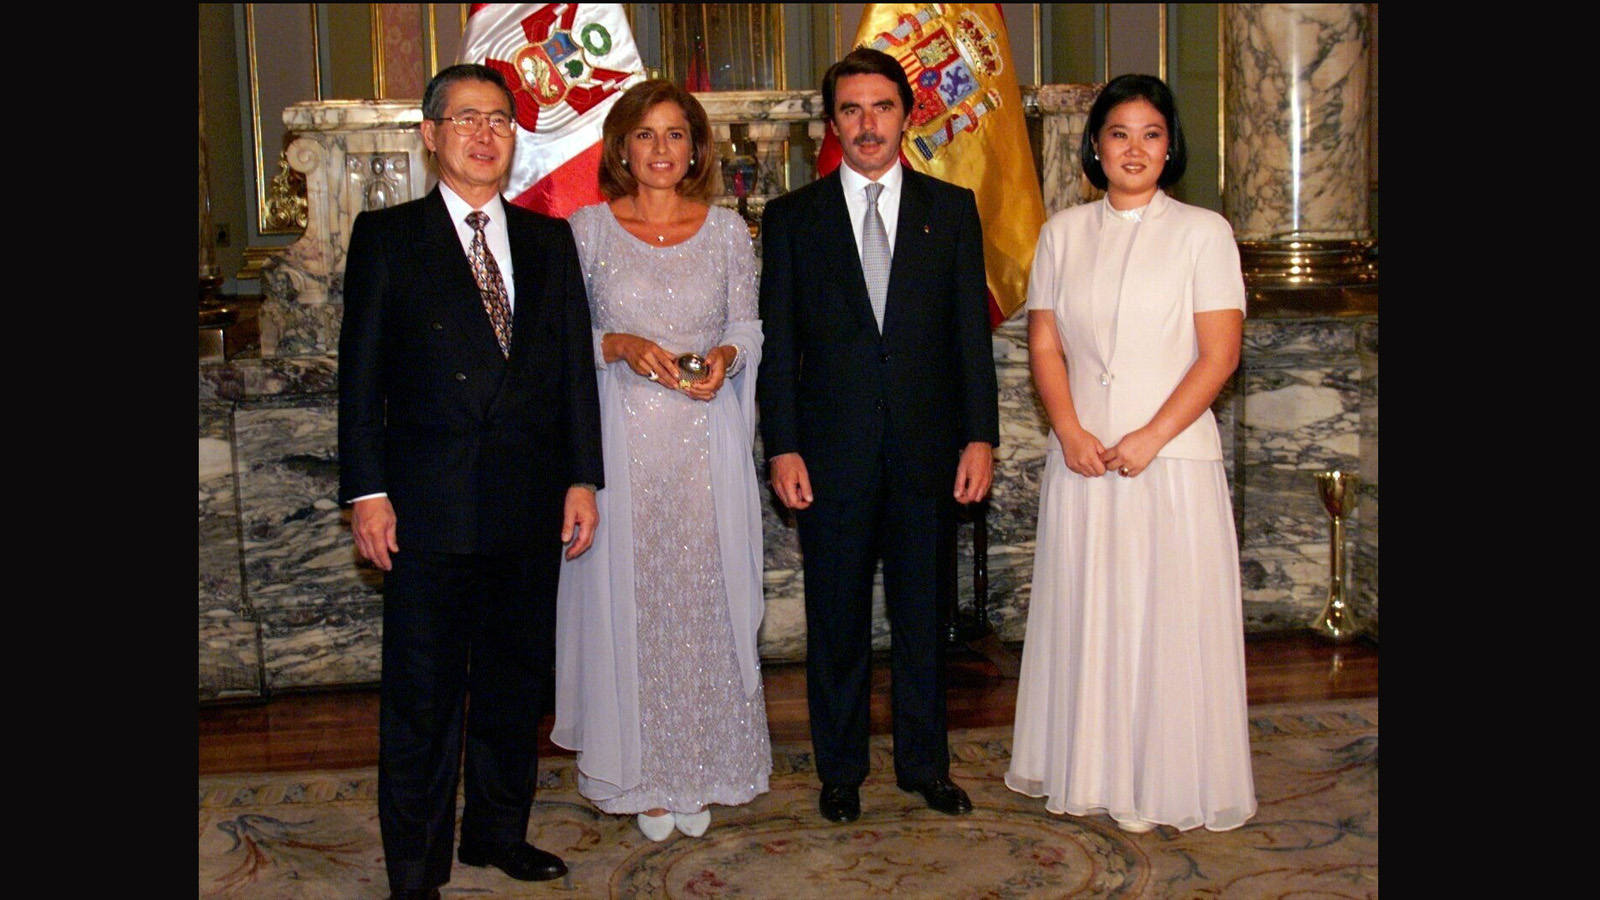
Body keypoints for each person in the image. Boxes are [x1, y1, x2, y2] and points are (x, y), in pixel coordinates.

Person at [338, 64, 604, 898]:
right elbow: (359, 381)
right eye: (464, 119)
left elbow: (572, 375)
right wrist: (366, 491)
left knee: (513, 687)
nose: (484, 134)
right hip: (427, 509)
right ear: (430, 134)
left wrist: (582, 479)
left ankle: (497, 836)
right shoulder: (387, 238)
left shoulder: (547, 238)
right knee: (422, 701)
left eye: (499, 119)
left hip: (528, 507)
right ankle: (415, 870)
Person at [1004, 73, 1257, 833]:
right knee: (1090, 615)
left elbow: (1220, 354)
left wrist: (1151, 436)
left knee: (1164, 622)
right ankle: (1091, 769)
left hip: (1170, 461)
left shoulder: (1203, 232)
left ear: (1170, 146)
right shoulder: (1061, 234)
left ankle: (1166, 779)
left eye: (1151, 133)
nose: (1135, 148)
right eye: (1119, 133)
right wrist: (1070, 430)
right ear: (1096, 146)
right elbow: (1044, 343)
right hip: (1083, 461)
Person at [757, 48, 999, 824]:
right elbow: (778, 346)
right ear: (832, 124)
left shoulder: (952, 209)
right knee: (836, 621)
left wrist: (980, 438)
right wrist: (782, 446)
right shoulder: (793, 219)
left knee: (926, 620)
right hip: (828, 459)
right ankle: (841, 772)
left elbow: (970, 340)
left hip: (930, 455)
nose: (867, 124)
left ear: (906, 116)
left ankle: (926, 765)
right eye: (852, 110)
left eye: (882, 108)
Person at [551, 79, 770, 843]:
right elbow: (558, 346)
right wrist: (616, 344)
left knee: (706, 599)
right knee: (633, 605)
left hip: (706, 447)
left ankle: (704, 763)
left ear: (696, 148)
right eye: (646, 134)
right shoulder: (585, 232)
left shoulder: (728, 235)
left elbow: (749, 322)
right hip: (620, 444)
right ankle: (639, 772)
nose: (661, 149)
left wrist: (726, 355)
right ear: (621, 147)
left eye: (676, 134)